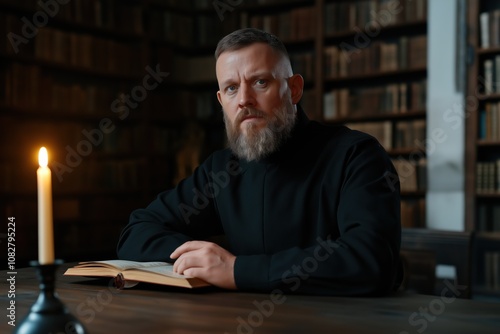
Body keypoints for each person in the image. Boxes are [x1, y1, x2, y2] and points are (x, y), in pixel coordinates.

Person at [117, 28, 402, 296]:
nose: (244, 99)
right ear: (221, 100)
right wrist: (201, 260)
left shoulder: (356, 155)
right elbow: (136, 232)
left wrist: (236, 270)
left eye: (260, 82)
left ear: (294, 89)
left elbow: (372, 260)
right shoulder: (221, 170)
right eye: (230, 88)